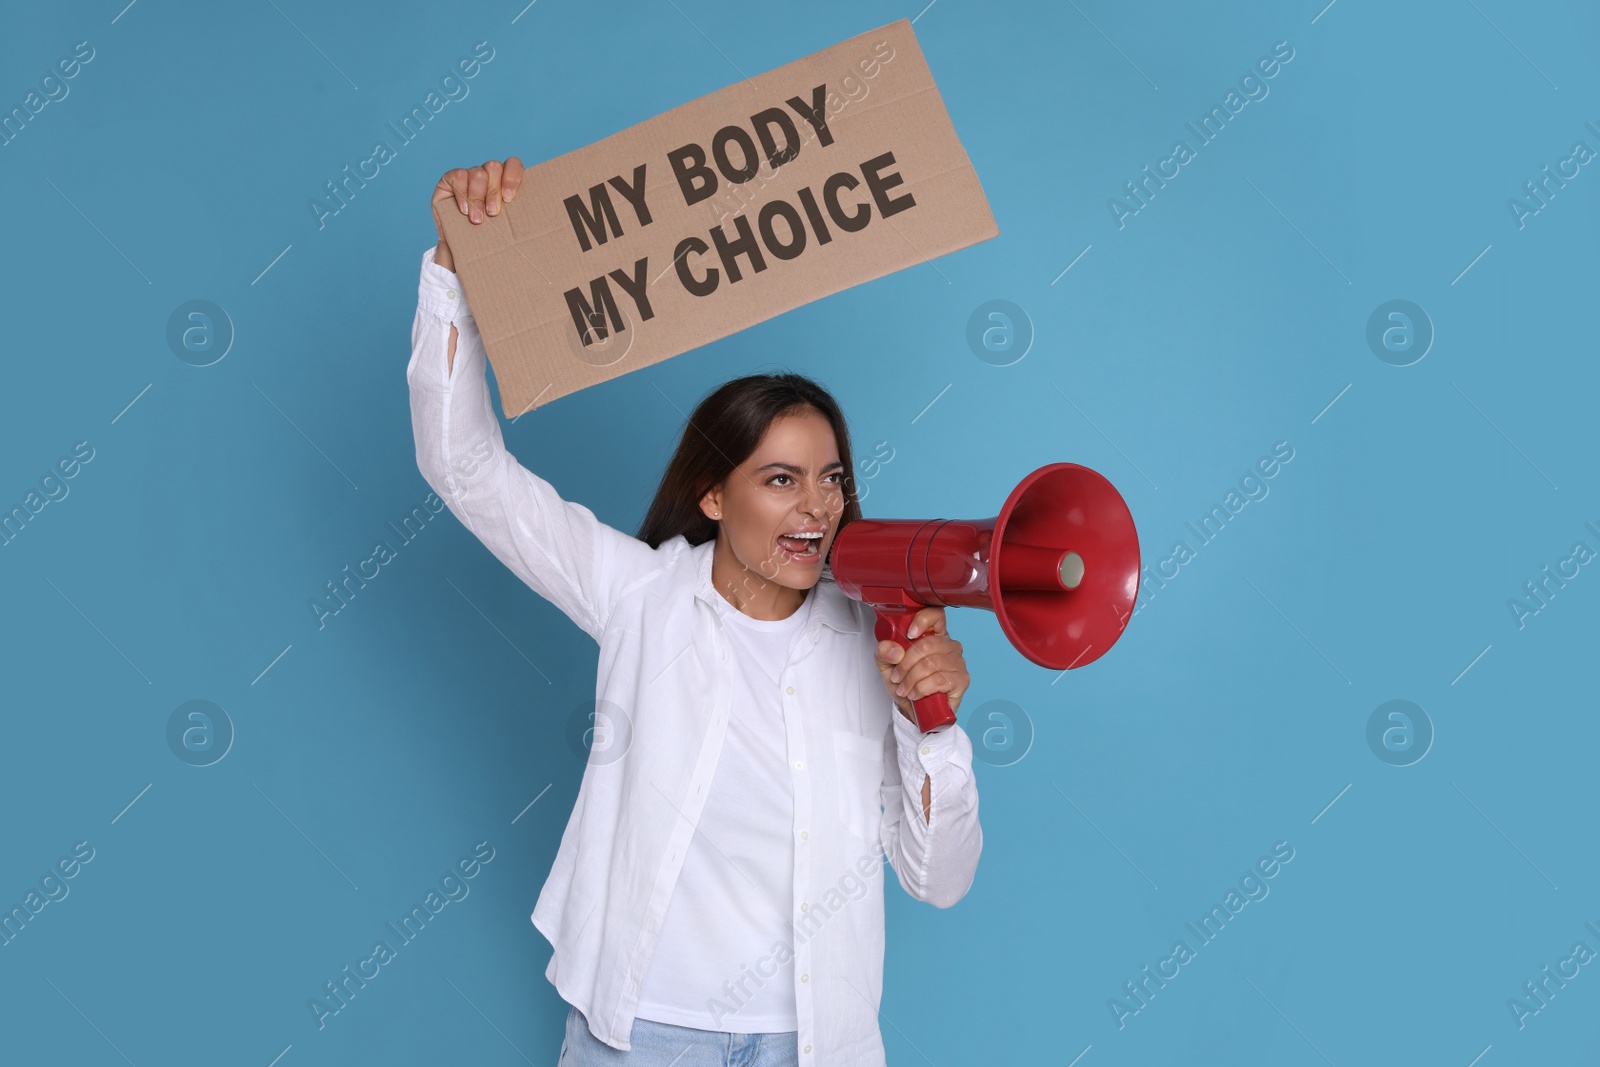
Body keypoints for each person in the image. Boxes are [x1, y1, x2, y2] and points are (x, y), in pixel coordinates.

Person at [407, 156, 984, 1067]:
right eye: (781, 479)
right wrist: (455, 275)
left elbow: (939, 879)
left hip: (814, 1045)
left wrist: (933, 726)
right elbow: (465, 468)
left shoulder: (875, 643)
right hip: (642, 1035)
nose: (817, 507)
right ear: (714, 497)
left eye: (831, 478)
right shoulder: (638, 595)